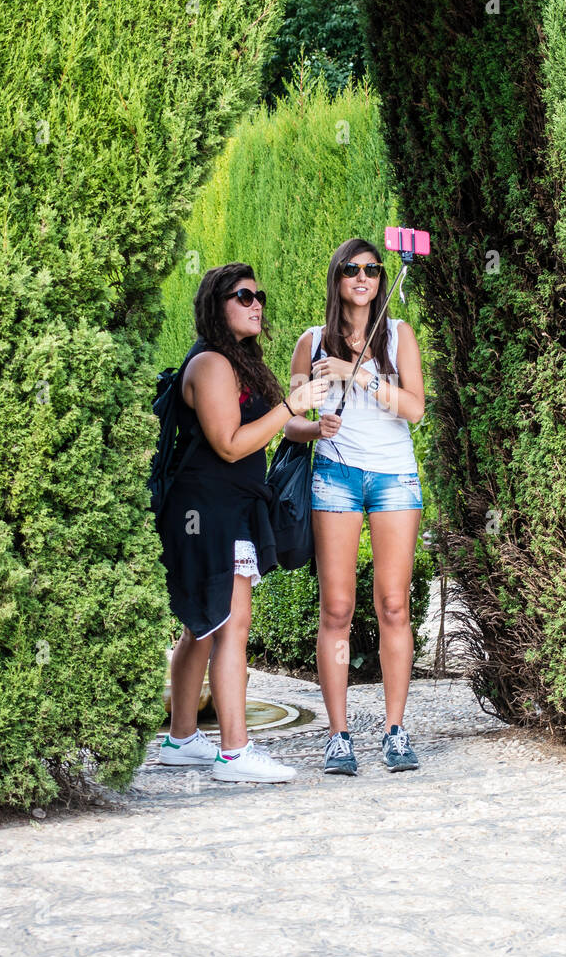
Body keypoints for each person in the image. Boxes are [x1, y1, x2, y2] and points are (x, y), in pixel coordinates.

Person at [155, 263, 327, 783]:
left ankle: (182, 738)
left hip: (228, 506)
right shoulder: (209, 364)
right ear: (217, 305)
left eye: (260, 296)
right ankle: (234, 752)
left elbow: (268, 425)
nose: (256, 304)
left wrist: (313, 425)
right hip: (205, 512)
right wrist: (288, 407)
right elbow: (230, 443)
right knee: (231, 624)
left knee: (203, 626)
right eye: (243, 296)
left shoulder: (238, 362)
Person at [284, 238, 426, 774]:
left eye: (371, 269)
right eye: (351, 269)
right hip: (336, 477)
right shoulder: (312, 343)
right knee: (337, 610)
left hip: (394, 477)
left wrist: (359, 374)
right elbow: (290, 416)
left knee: (394, 605)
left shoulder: (398, 335)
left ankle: (395, 730)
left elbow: (414, 408)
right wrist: (314, 425)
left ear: (381, 279)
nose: (362, 277)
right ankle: (339, 735)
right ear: (337, 278)